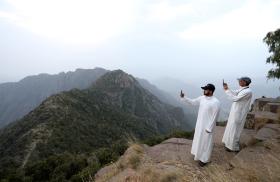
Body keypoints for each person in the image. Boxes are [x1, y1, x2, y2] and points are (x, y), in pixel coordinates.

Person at [180, 84, 220, 167]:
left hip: (207, 126)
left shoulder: (216, 102)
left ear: (211, 91)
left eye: (205, 89)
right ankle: (197, 154)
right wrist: (184, 97)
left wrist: (209, 128)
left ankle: (204, 159)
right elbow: (193, 102)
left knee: (206, 143)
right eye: (204, 89)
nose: (204, 91)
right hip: (200, 124)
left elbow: (215, 116)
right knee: (199, 139)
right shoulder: (202, 98)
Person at [222, 77, 253, 152]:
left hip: (239, 113)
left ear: (245, 82)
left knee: (235, 129)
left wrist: (226, 91)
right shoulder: (243, 89)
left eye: (240, 81)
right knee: (231, 127)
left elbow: (235, 98)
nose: (239, 82)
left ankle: (233, 146)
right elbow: (235, 92)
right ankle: (228, 143)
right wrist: (227, 88)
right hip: (235, 111)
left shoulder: (248, 91)